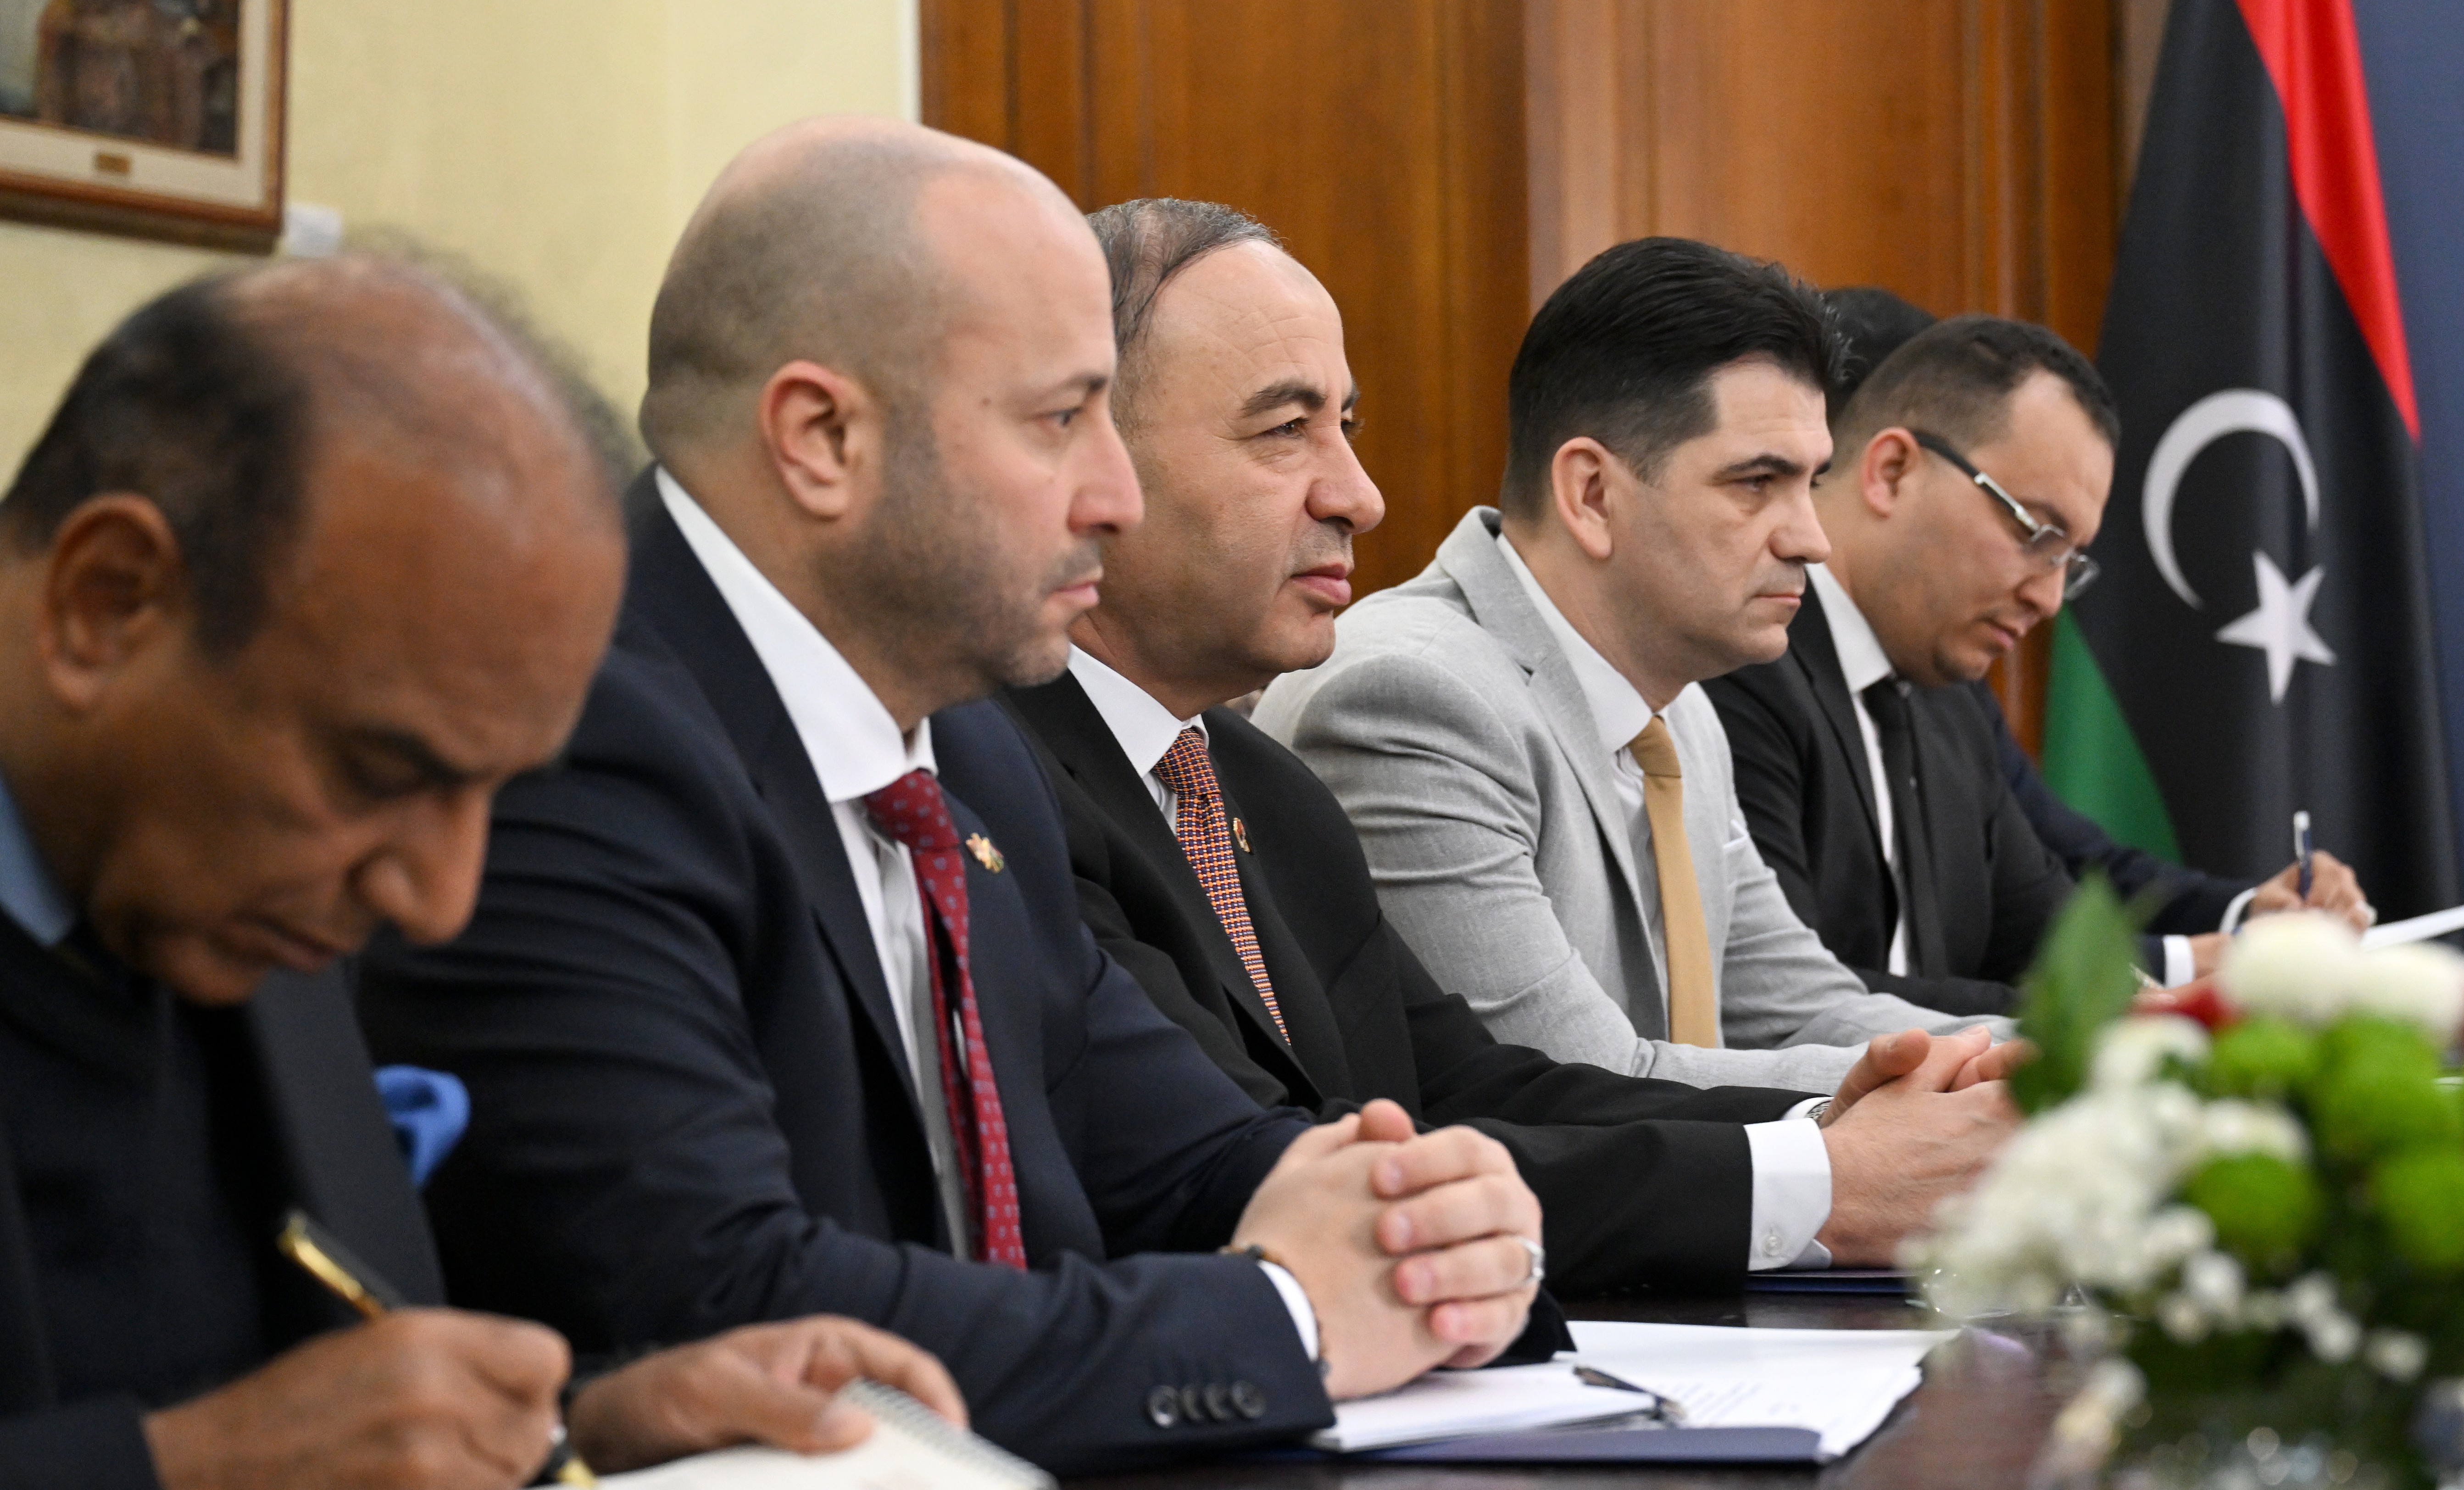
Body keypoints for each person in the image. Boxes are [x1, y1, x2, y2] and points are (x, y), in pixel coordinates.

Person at [353, 119, 1542, 1478]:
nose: (1116, 496)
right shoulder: (569, 739)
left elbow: (1181, 1155)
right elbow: (732, 1311)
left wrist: (1409, 1223)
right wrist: (1286, 1315)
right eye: (1060, 420)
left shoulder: (970, 748)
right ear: (822, 438)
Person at [0, 259, 962, 1490]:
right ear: (108, 604)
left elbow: (307, 1400)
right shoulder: (215, 869)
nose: (438, 899)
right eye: (383, 773)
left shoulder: (228, 871)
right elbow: (232, 1441)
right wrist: (182, 1473)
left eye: (491, 794)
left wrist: (582, 1431)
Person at [990, 200, 2023, 1287]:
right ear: (1087, 462)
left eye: (1348, 425)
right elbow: (1249, 1166)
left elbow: (1476, 1090)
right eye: (1285, 428)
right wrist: (1828, 1176)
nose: (1361, 496)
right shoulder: (1000, 781)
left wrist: (1849, 1125)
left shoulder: (1263, 788)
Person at [1256, 236, 2004, 1093]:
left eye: (1811, 483)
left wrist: (2071, 1061)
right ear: (1592, 495)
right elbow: (1581, 1084)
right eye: (1757, 483)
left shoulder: (1680, 708)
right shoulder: (1410, 701)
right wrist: (1978, 1087)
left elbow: (1798, 1007)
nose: (1812, 539)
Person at [1813, 289, 2371, 954]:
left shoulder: (1945, 695)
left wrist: (2249, 921)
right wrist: (2185, 972)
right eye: (2035, 532)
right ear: (1891, 471)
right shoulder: (1744, 667)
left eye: (2068, 559)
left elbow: (2057, 896)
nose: (2050, 601)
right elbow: (1788, 996)